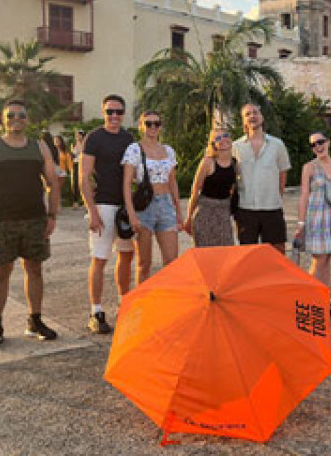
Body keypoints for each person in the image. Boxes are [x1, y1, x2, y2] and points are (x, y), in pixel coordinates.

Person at [0, 100, 61, 349]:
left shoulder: (38, 147)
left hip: (35, 219)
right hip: (1, 221)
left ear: (27, 119)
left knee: (35, 270)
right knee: (1, 272)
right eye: (10, 115)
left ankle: (35, 321)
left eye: (21, 115)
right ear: (2, 119)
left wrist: (52, 215)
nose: (16, 119)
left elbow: (53, 182)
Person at [80, 95, 136, 334]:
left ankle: (124, 302)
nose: (114, 116)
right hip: (103, 205)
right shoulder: (94, 138)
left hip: (124, 206)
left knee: (126, 256)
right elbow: (83, 177)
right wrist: (92, 211)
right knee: (100, 259)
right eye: (110, 112)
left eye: (118, 111)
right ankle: (96, 311)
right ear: (103, 112)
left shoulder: (128, 137)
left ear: (124, 113)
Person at [122, 111, 183, 280]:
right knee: (144, 263)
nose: (153, 127)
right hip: (144, 206)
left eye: (157, 123)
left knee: (172, 261)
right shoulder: (134, 149)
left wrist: (178, 211)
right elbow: (126, 184)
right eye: (148, 123)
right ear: (141, 126)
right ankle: (142, 303)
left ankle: (167, 299)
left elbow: (173, 182)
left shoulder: (169, 151)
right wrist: (132, 214)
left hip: (166, 205)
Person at [293, 131, 331, 317]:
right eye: (313, 144)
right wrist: (301, 223)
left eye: (320, 142)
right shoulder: (309, 167)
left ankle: (323, 301)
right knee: (319, 260)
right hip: (316, 218)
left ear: (328, 142)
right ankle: (308, 301)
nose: (318, 146)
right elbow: (304, 196)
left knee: (327, 261)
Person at [232, 103, 291, 254]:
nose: (252, 116)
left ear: (262, 117)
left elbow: (282, 174)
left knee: (277, 253)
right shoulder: (236, 147)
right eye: (247, 114)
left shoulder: (277, 145)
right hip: (246, 209)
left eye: (255, 112)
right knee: (247, 254)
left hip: (272, 208)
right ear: (244, 121)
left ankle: (276, 279)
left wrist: (277, 196)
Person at [184, 128, 237, 247]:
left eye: (225, 135)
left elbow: (233, 189)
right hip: (205, 212)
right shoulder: (207, 162)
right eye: (218, 138)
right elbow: (195, 191)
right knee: (206, 253)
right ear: (214, 145)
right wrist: (188, 219)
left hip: (223, 212)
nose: (223, 139)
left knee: (226, 251)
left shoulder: (235, 163)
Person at [54, 134, 74, 204]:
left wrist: (71, 170)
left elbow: (69, 162)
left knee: (58, 188)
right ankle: (54, 204)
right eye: (55, 141)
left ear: (61, 141)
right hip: (53, 171)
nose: (56, 142)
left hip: (62, 171)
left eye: (57, 140)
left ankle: (57, 204)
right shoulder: (51, 150)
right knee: (53, 188)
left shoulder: (64, 151)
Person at [71, 130, 85, 206]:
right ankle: (75, 201)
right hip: (75, 163)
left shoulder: (85, 144)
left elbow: (82, 152)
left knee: (83, 182)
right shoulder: (73, 144)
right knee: (75, 182)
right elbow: (72, 154)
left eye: (79, 135)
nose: (78, 137)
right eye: (77, 135)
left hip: (83, 164)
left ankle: (83, 200)